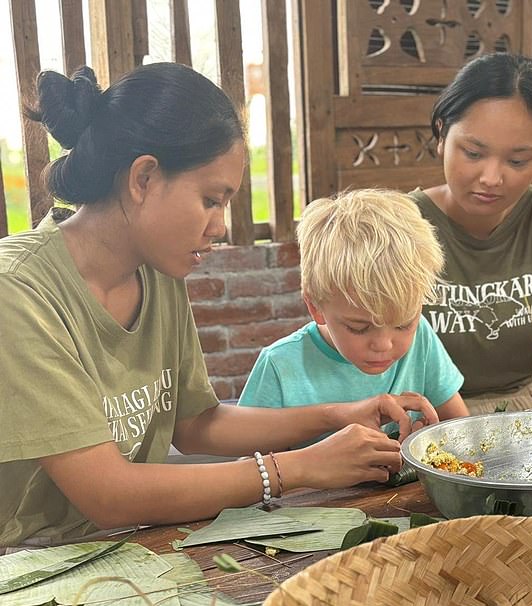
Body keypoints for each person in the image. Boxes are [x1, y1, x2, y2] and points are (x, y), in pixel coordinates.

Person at [0, 63, 434, 551]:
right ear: (143, 178)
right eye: (211, 199)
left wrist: (338, 414)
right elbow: (110, 495)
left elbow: (196, 423)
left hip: (117, 547)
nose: (222, 226)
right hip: (23, 562)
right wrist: (298, 467)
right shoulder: (18, 293)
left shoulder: (157, 270)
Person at [410, 52, 532, 415]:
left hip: (523, 414)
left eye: (517, 161)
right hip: (427, 420)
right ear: (441, 134)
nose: (491, 178)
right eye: (473, 152)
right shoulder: (402, 224)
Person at [238, 188, 469, 435]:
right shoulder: (279, 366)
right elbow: (250, 464)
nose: (383, 345)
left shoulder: (421, 336)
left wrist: (428, 443)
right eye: (359, 328)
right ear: (315, 307)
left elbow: (463, 430)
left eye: (403, 324)